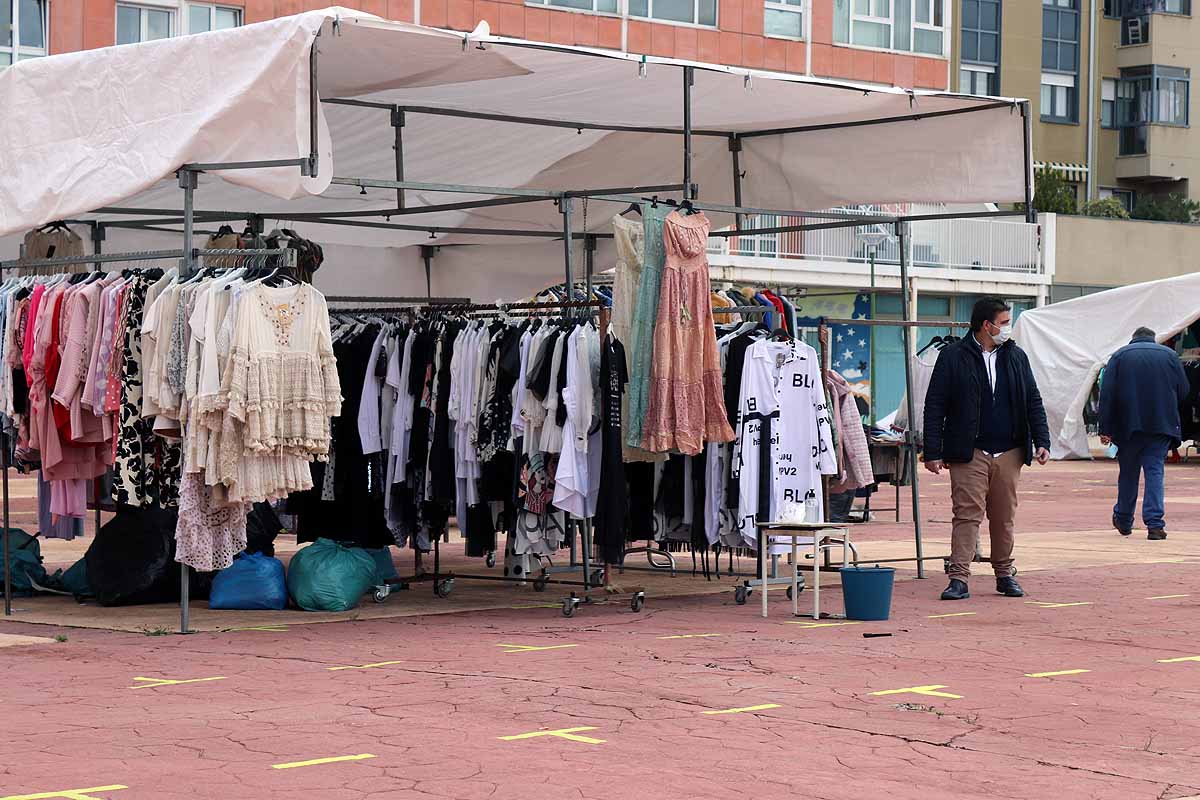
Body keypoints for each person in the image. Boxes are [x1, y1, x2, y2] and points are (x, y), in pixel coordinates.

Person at [923, 298, 1051, 601]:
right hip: (969, 451)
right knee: (966, 515)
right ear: (986, 325)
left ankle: (1004, 574)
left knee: (1004, 516)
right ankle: (958, 578)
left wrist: (1042, 440)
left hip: (1010, 450)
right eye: (1004, 322)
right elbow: (935, 403)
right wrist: (932, 451)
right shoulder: (953, 355)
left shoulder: (1016, 356)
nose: (1008, 328)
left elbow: (1033, 399)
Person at [1099, 327, 1190, 541]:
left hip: (1128, 426)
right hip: (1160, 425)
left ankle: (1123, 518)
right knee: (1155, 472)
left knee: (1128, 473)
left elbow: (1107, 394)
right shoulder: (1169, 355)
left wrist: (1105, 428)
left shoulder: (1120, 356)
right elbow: (1184, 389)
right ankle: (1155, 524)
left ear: (1133, 339)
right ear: (1153, 339)